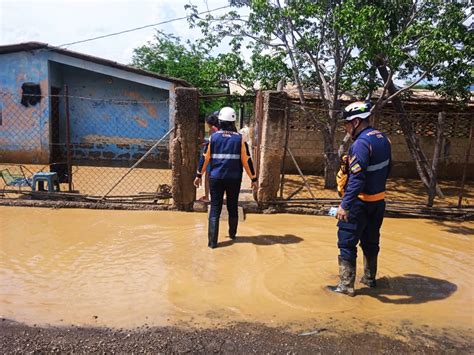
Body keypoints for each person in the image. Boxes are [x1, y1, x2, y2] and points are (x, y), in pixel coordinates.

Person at [327, 101, 392, 297]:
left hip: (359, 204)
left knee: (346, 242)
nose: (345, 128)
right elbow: (389, 168)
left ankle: (346, 285)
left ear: (356, 122)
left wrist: (345, 206)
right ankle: (370, 278)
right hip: (378, 202)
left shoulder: (361, 144)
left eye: (347, 123)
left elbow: (357, 178)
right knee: (371, 240)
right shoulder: (383, 139)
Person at [194, 106, 258, 249]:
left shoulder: (213, 137)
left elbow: (205, 158)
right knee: (232, 206)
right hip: (234, 179)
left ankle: (212, 243)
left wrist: (198, 175)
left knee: (215, 208)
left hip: (216, 178)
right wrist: (253, 179)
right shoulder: (239, 139)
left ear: (220, 121)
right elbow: (247, 161)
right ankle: (233, 235)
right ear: (233, 122)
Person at [198, 112, 220, 202]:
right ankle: (216, 196)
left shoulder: (213, 130)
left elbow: (212, 143)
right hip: (217, 156)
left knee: (207, 176)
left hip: (210, 156)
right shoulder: (219, 129)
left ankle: (207, 197)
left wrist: (204, 144)